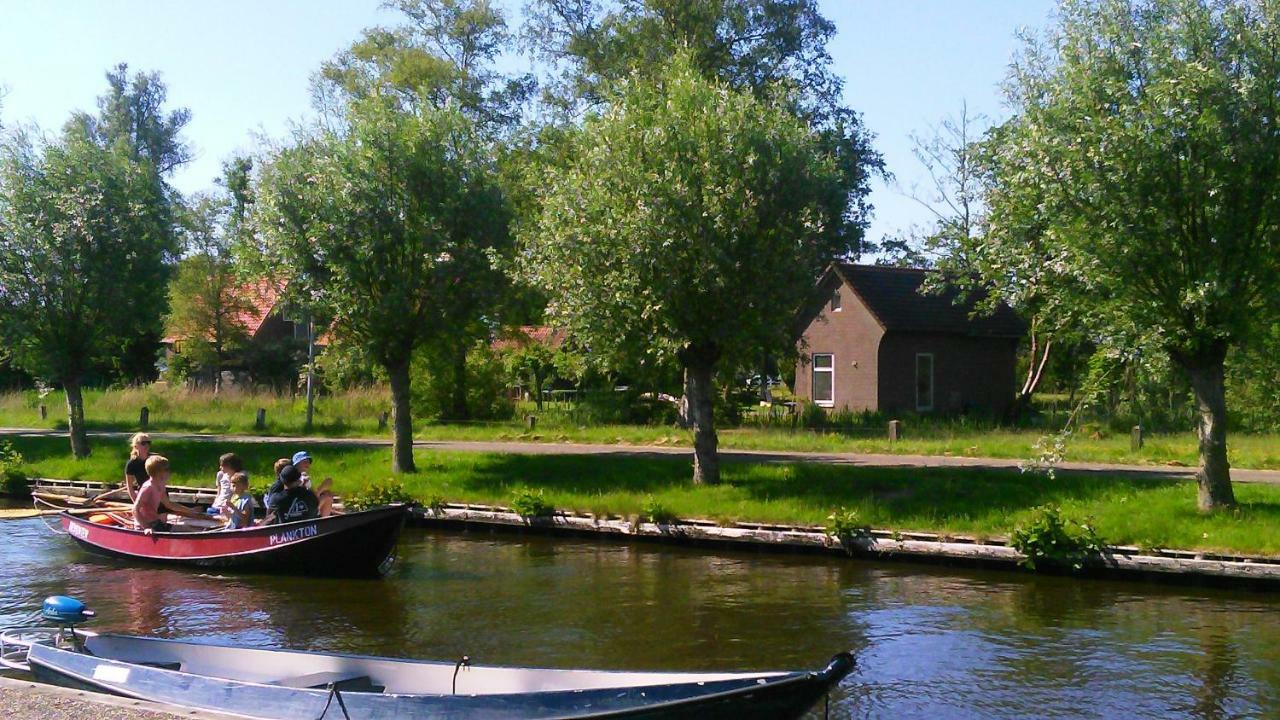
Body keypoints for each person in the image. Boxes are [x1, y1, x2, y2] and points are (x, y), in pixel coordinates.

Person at [133, 455, 205, 534]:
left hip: (155, 522)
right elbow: (135, 509)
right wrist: (146, 528)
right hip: (145, 525)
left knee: (186, 529)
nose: (169, 472)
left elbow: (169, 504)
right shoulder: (148, 488)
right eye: (166, 469)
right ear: (158, 472)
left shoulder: (160, 486)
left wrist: (190, 511)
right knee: (183, 530)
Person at [290, 450, 335, 516]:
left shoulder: (304, 476)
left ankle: (323, 520)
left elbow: (312, 495)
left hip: (305, 505)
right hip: (300, 508)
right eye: (304, 462)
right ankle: (322, 521)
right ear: (297, 464)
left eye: (308, 462)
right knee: (327, 496)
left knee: (327, 494)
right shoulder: (297, 478)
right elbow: (309, 499)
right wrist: (322, 487)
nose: (307, 464)